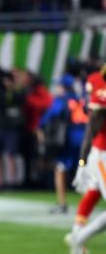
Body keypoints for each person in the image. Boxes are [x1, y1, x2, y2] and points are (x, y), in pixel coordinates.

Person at [65, 64, 106, 254]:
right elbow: (92, 126)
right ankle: (79, 238)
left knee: (93, 193)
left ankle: (76, 235)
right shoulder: (99, 85)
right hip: (103, 154)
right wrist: (82, 162)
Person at [38, 74, 87, 213]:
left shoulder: (61, 100)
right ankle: (87, 203)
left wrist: (40, 128)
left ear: (63, 87)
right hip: (84, 141)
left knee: (60, 169)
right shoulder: (81, 99)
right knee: (83, 167)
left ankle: (62, 203)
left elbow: (50, 116)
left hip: (70, 141)